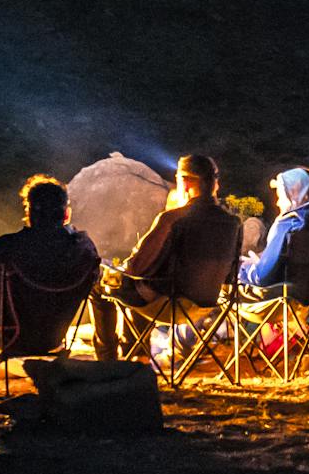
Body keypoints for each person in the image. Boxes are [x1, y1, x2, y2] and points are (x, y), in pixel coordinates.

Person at [92, 154, 242, 362]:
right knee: (141, 285)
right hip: (208, 302)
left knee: (102, 285)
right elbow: (230, 276)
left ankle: (108, 360)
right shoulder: (231, 223)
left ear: (186, 182)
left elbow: (136, 268)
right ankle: (135, 351)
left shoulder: (174, 218)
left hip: (170, 302)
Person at [0, 175, 99, 391]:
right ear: (66, 214)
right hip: (53, 338)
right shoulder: (83, 249)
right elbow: (94, 283)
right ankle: (109, 357)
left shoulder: (7, 247)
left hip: (10, 336)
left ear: (29, 213)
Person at [239, 166, 309, 302]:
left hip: (279, 297)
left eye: (280, 196)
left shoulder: (288, 224)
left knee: (227, 275)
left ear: (293, 195)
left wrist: (245, 269)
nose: (277, 203)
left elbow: (264, 276)